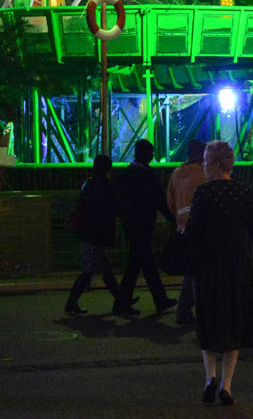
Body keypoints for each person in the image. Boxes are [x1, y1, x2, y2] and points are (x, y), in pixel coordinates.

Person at [185, 140, 253, 405]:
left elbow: (194, 230)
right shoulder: (244, 192)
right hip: (237, 265)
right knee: (235, 319)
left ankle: (209, 377)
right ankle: (227, 385)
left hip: (208, 265)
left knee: (208, 319)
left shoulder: (203, 193)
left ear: (216, 164)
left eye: (207, 162)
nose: (204, 167)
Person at [113, 138, 177, 316]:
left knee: (141, 264)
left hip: (131, 225)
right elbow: (159, 201)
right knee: (140, 265)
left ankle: (155, 299)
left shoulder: (126, 175)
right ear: (146, 154)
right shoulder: (147, 176)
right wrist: (173, 218)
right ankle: (126, 303)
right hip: (143, 225)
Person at [64, 154, 122, 315]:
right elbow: (110, 210)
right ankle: (71, 302)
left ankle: (121, 300)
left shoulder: (88, 184)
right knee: (92, 270)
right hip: (97, 234)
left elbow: (81, 204)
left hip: (88, 232)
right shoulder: (105, 186)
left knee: (102, 269)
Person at [167, 138, 207, 325]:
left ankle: (185, 310)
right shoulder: (203, 175)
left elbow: (170, 204)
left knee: (190, 271)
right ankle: (195, 311)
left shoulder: (176, 174)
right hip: (200, 228)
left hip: (182, 227)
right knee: (200, 272)